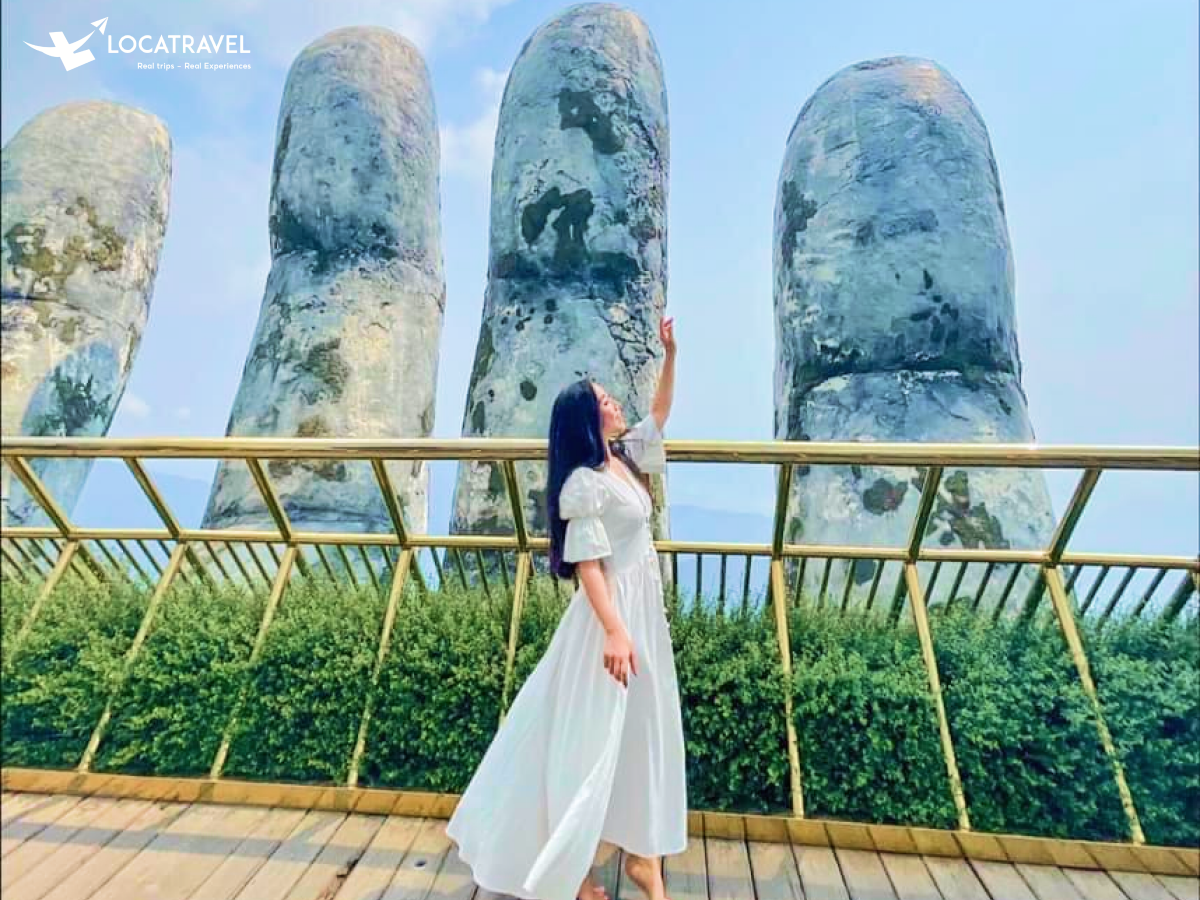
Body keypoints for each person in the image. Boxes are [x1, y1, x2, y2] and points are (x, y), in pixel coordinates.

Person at [447, 317, 684, 900]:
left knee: (645, 730)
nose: (616, 403)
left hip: (642, 616)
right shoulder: (583, 483)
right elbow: (589, 567)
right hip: (610, 620)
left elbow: (659, 413)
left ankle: (644, 859)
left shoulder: (625, 458)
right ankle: (575, 870)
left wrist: (670, 354)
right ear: (586, 419)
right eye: (605, 401)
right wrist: (614, 632)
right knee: (590, 740)